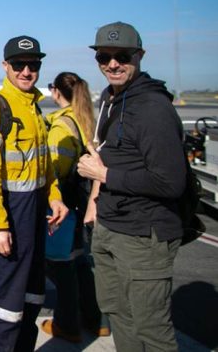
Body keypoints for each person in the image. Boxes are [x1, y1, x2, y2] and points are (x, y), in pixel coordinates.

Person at [77, 22, 186, 351]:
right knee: (117, 313)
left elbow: (170, 182)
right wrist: (95, 204)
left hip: (143, 235)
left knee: (151, 329)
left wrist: (104, 175)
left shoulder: (153, 108)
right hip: (110, 226)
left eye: (122, 56)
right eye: (103, 57)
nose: (112, 64)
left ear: (139, 56)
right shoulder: (113, 99)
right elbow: (109, 154)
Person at [0, 36, 67, 351]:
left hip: (34, 215)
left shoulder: (34, 108)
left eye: (33, 65)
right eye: (19, 65)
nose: (27, 71)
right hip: (7, 217)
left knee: (31, 298)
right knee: (2, 308)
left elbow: (43, 163)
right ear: (5, 66)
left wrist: (54, 196)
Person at [42, 72, 107, 343]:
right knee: (81, 263)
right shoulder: (85, 121)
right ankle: (95, 320)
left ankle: (67, 324)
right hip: (82, 203)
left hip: (64, 204)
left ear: (57, 92)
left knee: (60, 266)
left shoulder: (61, 127)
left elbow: (55, 171)